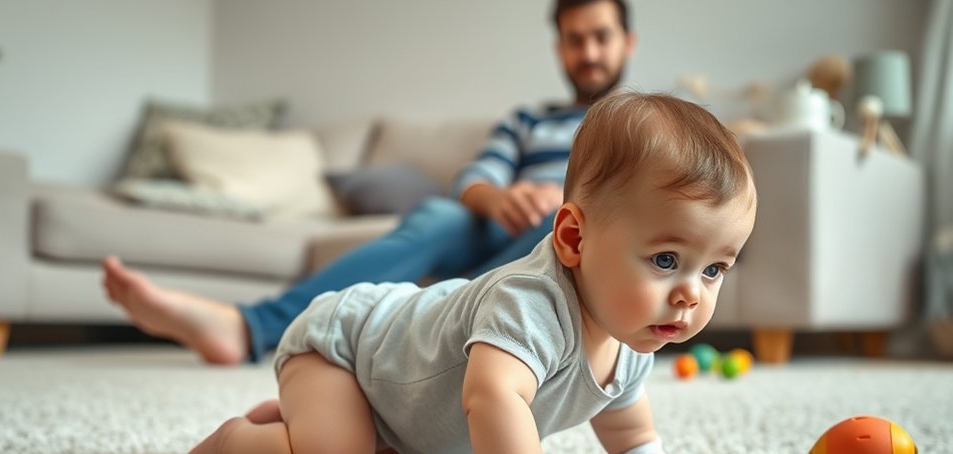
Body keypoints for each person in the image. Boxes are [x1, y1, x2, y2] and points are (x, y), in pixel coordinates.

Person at [166, 91, 758, 454]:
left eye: (713, 270)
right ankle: (237, 440)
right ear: (574, 240)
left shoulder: (635, 327)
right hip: (346, 345)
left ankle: (322, 416)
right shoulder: (528, 303)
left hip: (399, 398)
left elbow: (619, 403)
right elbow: (493, 398)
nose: (690, 294)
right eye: (665, 260)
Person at [102, 0, 638, 365]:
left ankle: (452, 314)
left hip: (567, 238)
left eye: (599, 38)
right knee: (439, 214)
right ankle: (249, 329)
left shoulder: (642, 126)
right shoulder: (526, 121)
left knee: (563, 223)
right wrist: (499, 196)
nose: (588, 53)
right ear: (559, 49)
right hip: (499, 230)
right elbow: (473, 181)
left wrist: (567, 203)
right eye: (575, 40)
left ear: (626, 43)